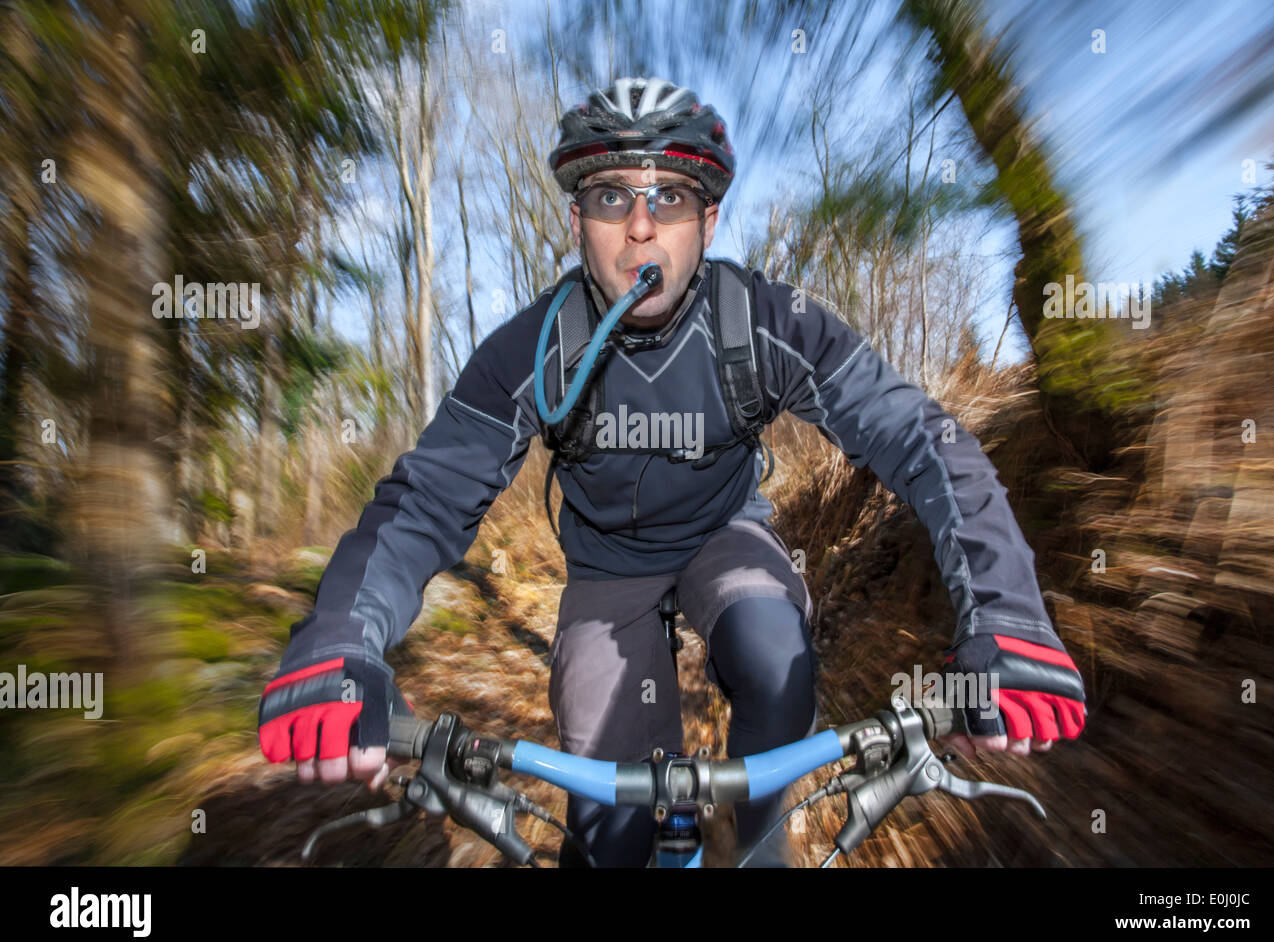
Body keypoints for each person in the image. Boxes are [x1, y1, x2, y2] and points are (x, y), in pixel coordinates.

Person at [257, 75, 1087, 867]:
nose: (641, 227)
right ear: (578, 219)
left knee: (777, 659)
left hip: (726, 535)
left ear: (710, 220)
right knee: (609, 823)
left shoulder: (763, 320)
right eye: (612, 196)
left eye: (672, 198)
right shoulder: (531, 347)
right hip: (606, 572)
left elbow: (917, 434)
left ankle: (759, 839)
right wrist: (340, 642)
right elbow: (427, 497)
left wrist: (1008, 614)